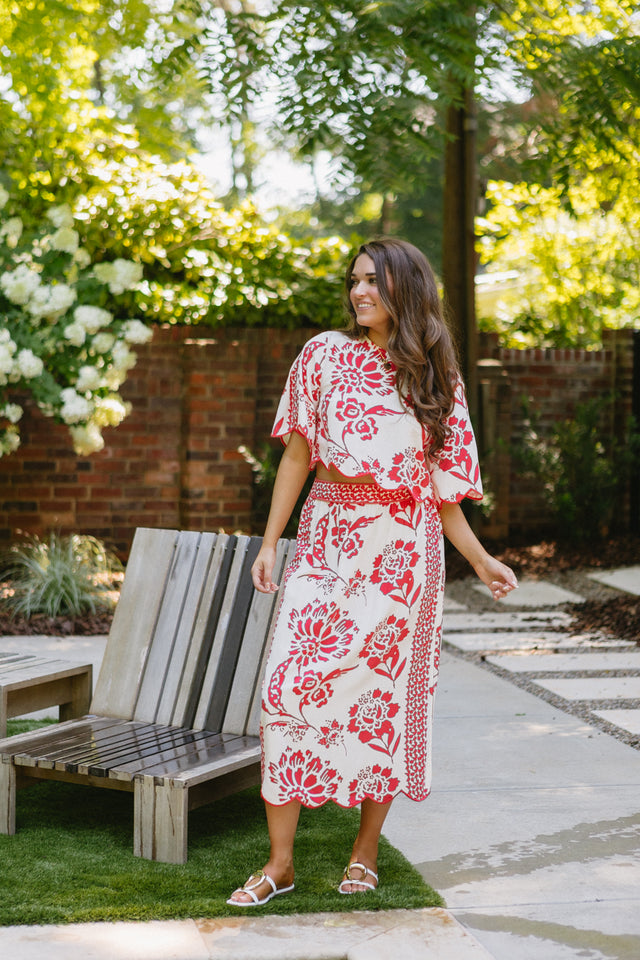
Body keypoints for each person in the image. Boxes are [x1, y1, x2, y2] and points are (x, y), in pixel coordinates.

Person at [227, 237, 517, 906]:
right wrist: (272, 542)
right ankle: (280, 864)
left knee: (378, 702)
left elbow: (441, 492)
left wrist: (480, 558)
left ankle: (364, 855)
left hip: (400, 554)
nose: (360, 292)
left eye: (375, 282)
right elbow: (298, 457)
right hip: (327, 537)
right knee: (287, 690)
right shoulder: (322, 356)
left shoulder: (436, 377)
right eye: (355, 280)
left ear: (405, 291)